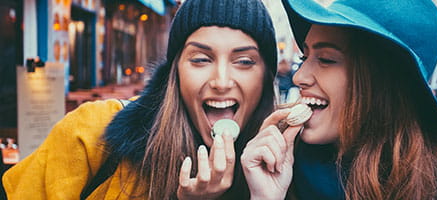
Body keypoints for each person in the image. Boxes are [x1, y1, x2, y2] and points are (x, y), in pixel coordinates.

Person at [2, 0, 277, 199]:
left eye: (244, 61)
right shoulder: (93, 132)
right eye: (201, 59)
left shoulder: (285, 169)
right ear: (176, 71)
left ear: (266, 77)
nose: (221, 82)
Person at [241, 0, 437, 199]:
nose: (299, 77)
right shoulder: (273, 164)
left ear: (383, 84)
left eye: (326, 59)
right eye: (305, 57)